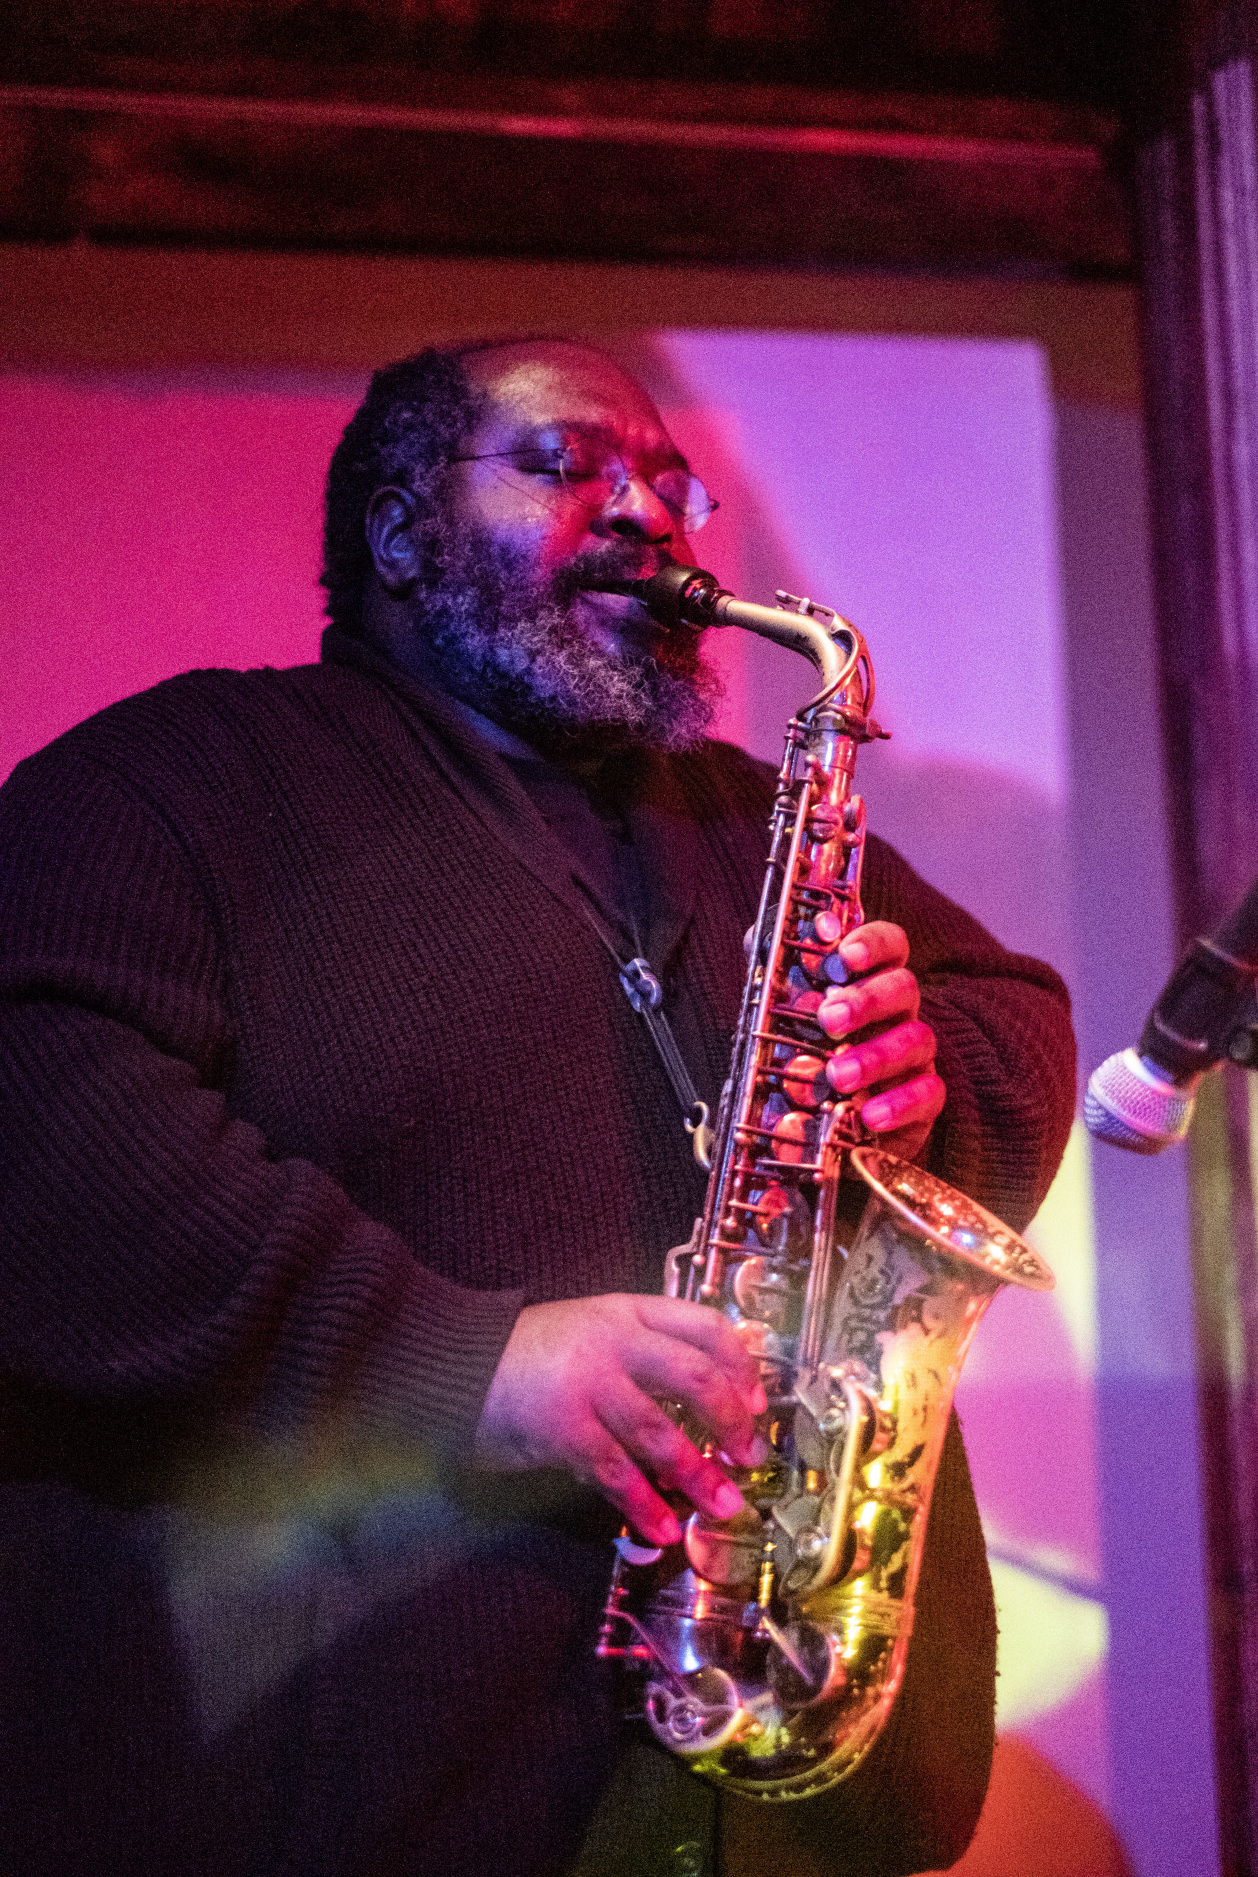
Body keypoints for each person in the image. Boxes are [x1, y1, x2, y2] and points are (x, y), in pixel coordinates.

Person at [0, 338, 1076, 1877]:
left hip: (775, 1772)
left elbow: (1009, 1011)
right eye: (568, 466)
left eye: (671, 485)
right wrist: (464, 1361)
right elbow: (45, 1130)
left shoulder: (738, 811)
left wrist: (926, 1084)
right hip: (351, 1783)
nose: (646, 512)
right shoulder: (174, 782)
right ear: (399, 533)